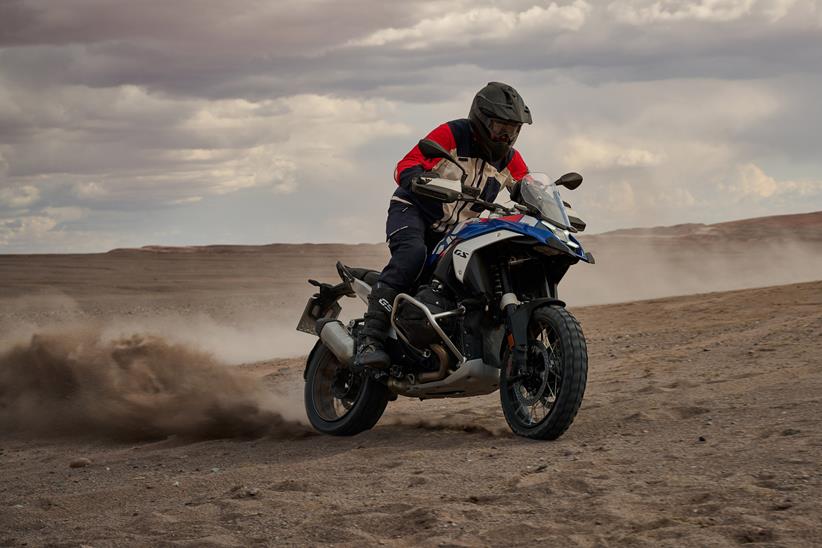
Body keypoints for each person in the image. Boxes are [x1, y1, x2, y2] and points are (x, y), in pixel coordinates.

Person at [354, 82, 532, 370]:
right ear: (482, 120)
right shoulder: (452, 134)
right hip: (414, 211)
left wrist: (551, 205)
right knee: (412, 256)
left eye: (513, 130)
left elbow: (527, 186)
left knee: (469, 277)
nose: (507, 136)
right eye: (501, 127)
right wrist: (416, 178)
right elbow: (407, 163)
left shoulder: (510, 159)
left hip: (456, 228)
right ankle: (369, 338)